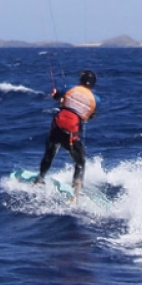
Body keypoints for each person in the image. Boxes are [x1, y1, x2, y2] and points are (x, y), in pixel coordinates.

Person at [37, 69, 98, 198]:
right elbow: (89, 116)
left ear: (81, 80)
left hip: (56, 128)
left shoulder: (71, 88)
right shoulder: (96, 99)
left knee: (50, 154)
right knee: (80, 162)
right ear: (92, 84)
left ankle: (40, 179)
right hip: (71, 134)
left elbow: (56, 96)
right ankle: (75, 194)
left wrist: (56, 96)